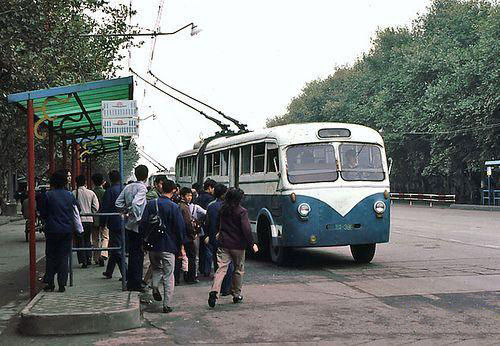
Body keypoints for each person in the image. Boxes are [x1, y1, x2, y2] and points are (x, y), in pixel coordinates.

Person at [140, 178, 186, 313]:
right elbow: (180, 228)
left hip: (153, 245)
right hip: (168, 246)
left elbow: (143, 224)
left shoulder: (151, 204)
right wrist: (181, 246)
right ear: (173, 190)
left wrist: (144, 241)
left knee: (156, 268)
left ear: (161, 188)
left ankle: (154, 286)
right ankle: (167, 304)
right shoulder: (174, 207)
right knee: (168, 275)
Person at [208, 188, 258, 308]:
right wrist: (252, 243)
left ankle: (214, 290)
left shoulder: (222, 209)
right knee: (238, 269)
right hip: (238, 245)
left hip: (224, 243)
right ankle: (236, 294)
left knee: (221, 269)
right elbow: (246, 229)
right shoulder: (241, 211)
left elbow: (216, 224)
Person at [38, 170, 83, 292]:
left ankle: (50, 282)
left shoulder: (48, 195)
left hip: (52, 230)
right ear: (64, 182)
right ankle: (62, 283)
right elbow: (77, 210)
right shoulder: (69, 195)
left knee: (51, 256)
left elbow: (43, 213)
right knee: (64, 256)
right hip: (66, 230)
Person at [116, 165, 148, 292]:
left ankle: (131, 282)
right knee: (138, 255)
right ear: (146, 176)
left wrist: (126, 211)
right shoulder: (142, 188)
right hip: (138, 225)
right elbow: (136, 203)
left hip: (129, 225)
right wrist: (138, 216)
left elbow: (118, 203)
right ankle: (136, 283)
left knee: (133, 254)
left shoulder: (128, 187)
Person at [206, 183, 234, 296]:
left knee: (218, 263)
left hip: (214, 237)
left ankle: (219, 286)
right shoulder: (228, 206)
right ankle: (226, 288)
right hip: (227, 238)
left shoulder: (211, 206)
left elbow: (207, 223)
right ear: (223, 194)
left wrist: (208, 235)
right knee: (229, 264)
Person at [101, 170, 126, 280]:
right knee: (114, 246)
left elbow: (105, 208)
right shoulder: (124, 189)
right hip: (124, 221)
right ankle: (109, 271)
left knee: (116, 249)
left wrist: (102, 223)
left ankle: (126, 273)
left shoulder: (110, 191)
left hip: (114, 223)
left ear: (110, 179)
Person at [73, 175, 99, 268]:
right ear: (85, 182)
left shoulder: (73, 193)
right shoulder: (91, 193)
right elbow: (96, 207)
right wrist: (91, 212)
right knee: (88, 239)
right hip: (89, 220)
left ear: (76, 183)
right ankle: (88, 258)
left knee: (80, 241)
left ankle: (83, 260)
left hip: (78, 220)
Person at [178, 187, 203, 284]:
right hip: (187, 236)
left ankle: (180, 276)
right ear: (183, 196)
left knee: (181, 255)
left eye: (191, 195)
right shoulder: (185, 207)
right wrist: (193, 234)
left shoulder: (179, 205)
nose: (190, 197)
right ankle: (190, 277)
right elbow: (188, 223)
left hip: (181, 235)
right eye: (188, 195)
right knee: (191, 256)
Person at [195, 179, 216, 277]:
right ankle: (207, 270)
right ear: (210, 188)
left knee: (201, 248)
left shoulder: (198, 197)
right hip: (207, 225)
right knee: (208, 248)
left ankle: (201, 268)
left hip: (198, 225)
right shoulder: (211, 199)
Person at [91, 173, 108, 266]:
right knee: (105, 237)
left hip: (93, 218)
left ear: (93, 182)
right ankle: (103, 254)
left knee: (95, 239)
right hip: (104, 217)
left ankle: (96, 258)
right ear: (102, 182)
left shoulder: (91, 192)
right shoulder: (105, 192)